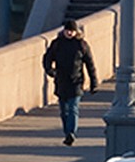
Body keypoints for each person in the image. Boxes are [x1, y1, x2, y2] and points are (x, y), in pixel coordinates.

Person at [42, 18, 98, 147]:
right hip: (61, 81)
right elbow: (47, 58)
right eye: (68, 31)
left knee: (73, 108)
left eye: (72, 31)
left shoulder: (81, 45)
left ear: (75, 31)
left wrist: (94, 83)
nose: (69, 33)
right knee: (64, 111)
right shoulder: (57, 44)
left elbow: (90, 64)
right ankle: (67, 132)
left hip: (76, 81)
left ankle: (71, 133)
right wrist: (50, 71)